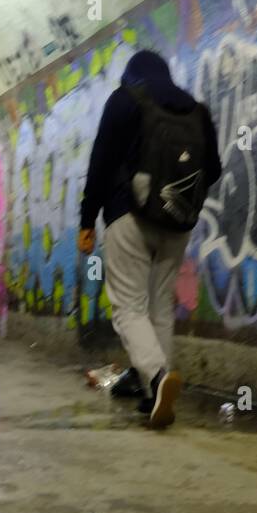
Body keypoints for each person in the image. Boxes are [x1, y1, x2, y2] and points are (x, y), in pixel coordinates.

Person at [78, 50, 221, 428]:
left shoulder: (125, 100)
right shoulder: (196, 110)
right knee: (159, 307)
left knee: (128, 307)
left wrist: (87, 219)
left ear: (131, 76)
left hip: (128, 214)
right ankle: (151, 394)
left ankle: (157, 379)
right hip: (178, 221)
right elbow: (215, 169)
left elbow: (101, 162)